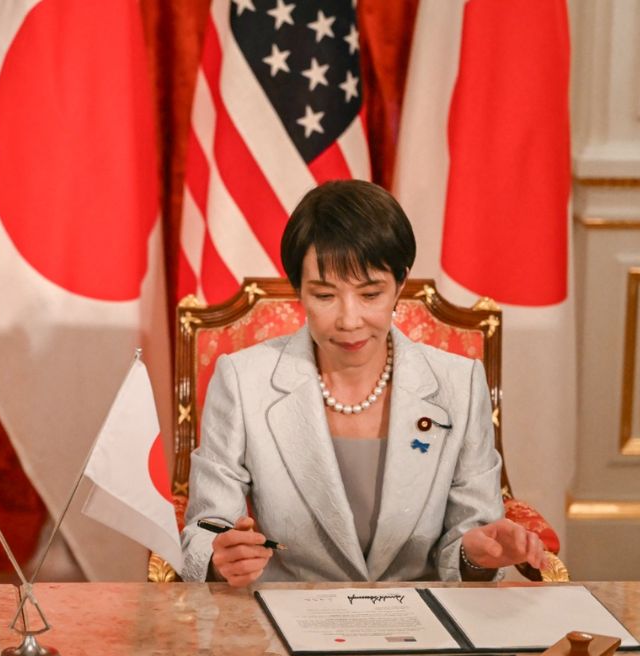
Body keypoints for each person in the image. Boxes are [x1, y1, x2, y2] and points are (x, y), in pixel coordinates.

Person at [180, 180, 544, 586]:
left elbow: (471, 536)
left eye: (370, 294)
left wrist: (476, 555)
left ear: (400, 285)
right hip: (284, 625)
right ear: (298, 290)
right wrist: (220, 557)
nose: (349, 320)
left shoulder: (459, 384)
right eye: (324, 295)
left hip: (421, 626)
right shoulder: (243, 380)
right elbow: (206, 526)